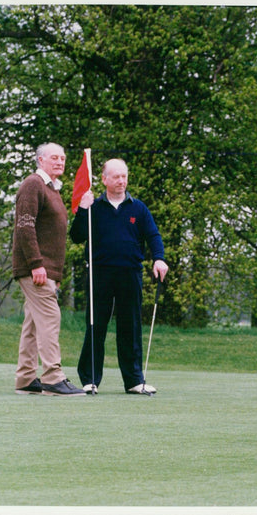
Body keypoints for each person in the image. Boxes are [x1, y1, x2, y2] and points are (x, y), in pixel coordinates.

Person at [70, 158, 169, 395]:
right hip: (99, 273)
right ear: (104, 179)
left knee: (130, 326)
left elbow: (153, 235)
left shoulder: (138, 208)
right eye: (116, 176)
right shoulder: (93, 206)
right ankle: (90, 379)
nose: (121, 181)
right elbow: (76, 236)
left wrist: (159, 258)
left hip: (130, 273)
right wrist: (83, 209)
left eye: (124, 176)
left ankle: (134, 380)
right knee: (96, 325)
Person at [11, 142, 85, 396]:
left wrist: (53, 272)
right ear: (40, 160)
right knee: (50, 318)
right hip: (35, 268)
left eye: (63, 158)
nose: (60, 162)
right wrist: (36, 264)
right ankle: (53, 378)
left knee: (33, 322)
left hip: (45, 269)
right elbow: (25, 226)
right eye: (54, 158)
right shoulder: (33, 184)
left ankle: (25, 377)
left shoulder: (52, 189)